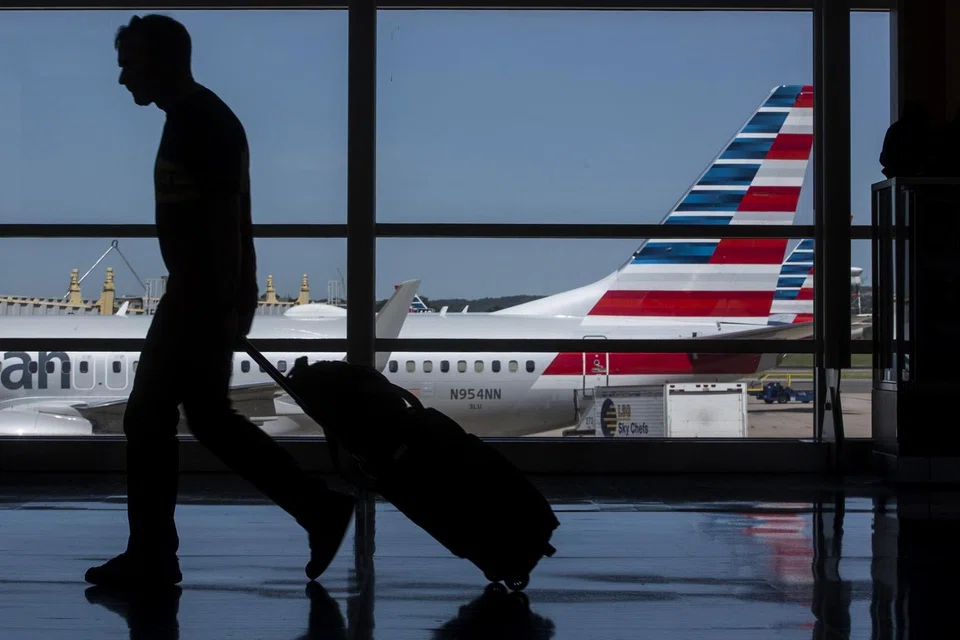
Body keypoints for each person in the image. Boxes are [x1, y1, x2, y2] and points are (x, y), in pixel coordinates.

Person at [85, 14, 356, 589]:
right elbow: (237, 220)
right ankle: (315, 508)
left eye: (130, 65)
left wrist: (224, 297)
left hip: (197, 294)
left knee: (151, 418)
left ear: (162, 61)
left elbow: (224, 222)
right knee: (207, 420)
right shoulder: (197, 118)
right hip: (201, 292)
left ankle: (156, 555)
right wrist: (238, 292)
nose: (123, 78)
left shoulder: (201, 123)